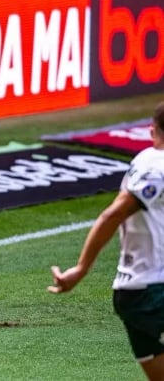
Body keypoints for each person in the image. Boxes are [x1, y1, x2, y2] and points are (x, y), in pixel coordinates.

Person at [48, 100, 164, 380]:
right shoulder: (155, 169)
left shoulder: (145, 160)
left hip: (134, 292)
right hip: (152, 290)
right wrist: (81, 269)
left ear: (151, 131)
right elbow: (113, 215)